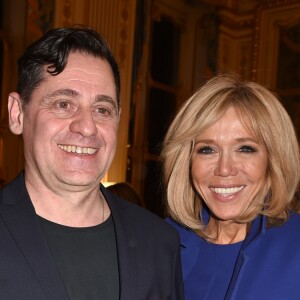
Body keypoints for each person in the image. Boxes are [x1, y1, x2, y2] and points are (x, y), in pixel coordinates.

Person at [0, 27, 184, 300]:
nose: (87, 127)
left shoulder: (159, 244)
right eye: (64, 104)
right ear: (17, 114)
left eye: (102, 110)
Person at [161, 73, 300, 300]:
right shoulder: (160, 244)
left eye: (245, 148)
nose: (224, 169)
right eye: (207, 150)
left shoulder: (295, 246)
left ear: (272, 159)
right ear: (186, 160)